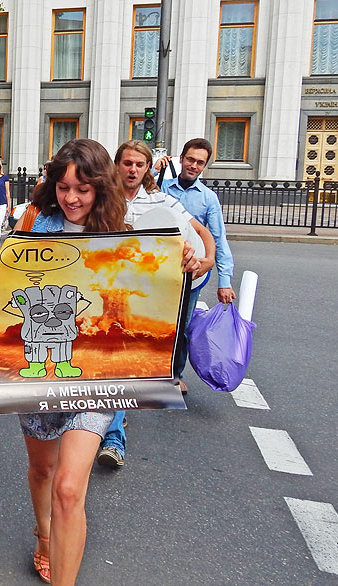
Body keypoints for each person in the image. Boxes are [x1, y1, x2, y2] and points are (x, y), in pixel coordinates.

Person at [0, 139, 201, 586]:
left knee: (68, 487)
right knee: (43, 469)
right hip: (38, 374)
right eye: (63, 187)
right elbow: (4, 298)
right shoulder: (34, 226)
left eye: (83, 188)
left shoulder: (127, 231)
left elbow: (176, 275)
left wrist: (187, 262)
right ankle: (44, 537)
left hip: (99, 380)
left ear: (101, 186)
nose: (72, 198)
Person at [95, 140, 216, 468]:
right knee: (109, 357)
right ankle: (105, 432)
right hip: (108, 291)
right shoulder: (103, 198)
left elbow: (201, 232)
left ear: (148, 168)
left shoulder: (162, 200)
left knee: (125, 362)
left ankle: (114, 431)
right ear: (117, 165)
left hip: (146, 296)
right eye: (127, 163)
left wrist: (207, 260)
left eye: (140, 164)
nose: (133, 170)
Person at [155, 138, 236, 392]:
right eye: (190, 159)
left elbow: (218, 238)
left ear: (205, 166)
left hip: (191, 272)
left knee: (182, 327)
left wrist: (224, 281)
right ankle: (149, 371)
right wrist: (154, 170)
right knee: (153, 323)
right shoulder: (161, 187)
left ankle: (174, 375)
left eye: (200, 162)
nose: (194, 165)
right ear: (181, 159)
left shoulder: (208, 198)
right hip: (158, 271)